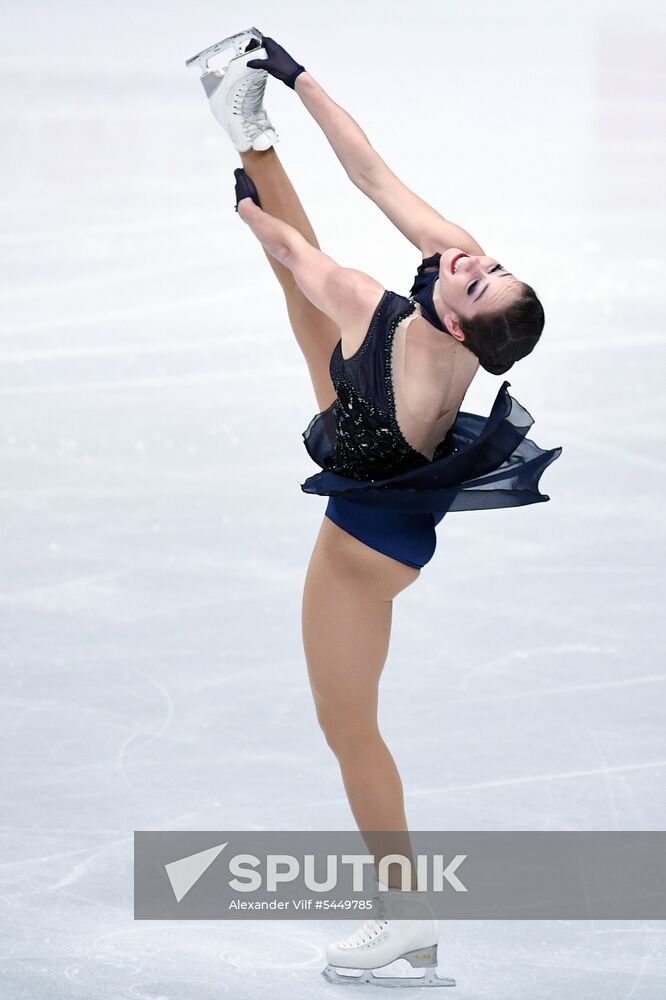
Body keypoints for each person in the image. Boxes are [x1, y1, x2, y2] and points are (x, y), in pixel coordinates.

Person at [187, 28, 562, 987]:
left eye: (476, 279)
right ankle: (249, 120)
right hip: (368, 433)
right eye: (487, 264)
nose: (470, 260)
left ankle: (408, 924)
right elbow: (371, 172)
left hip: (365, 537)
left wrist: (247, 215)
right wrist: (298, 72)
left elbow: (297, 253)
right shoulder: (457, 301)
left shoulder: (380, 308)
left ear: (457, 322)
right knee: (299, 307)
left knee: (348, 727)